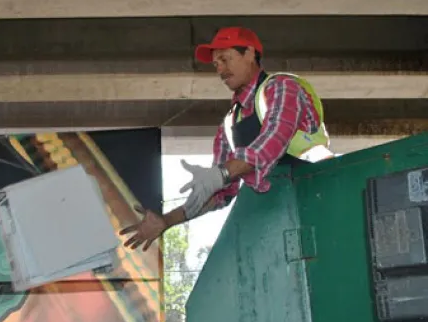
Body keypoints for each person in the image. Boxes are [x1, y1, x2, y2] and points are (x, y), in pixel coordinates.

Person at [121, 26, 331, 250]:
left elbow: (272, 142)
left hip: (322, 195)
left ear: (249, 53)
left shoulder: (283, 88)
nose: (220, 68)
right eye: (215, 64)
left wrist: (220, 174)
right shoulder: (229, 127)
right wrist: (167, 220)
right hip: (279, 215)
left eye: (224, 58)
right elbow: (221, 194)